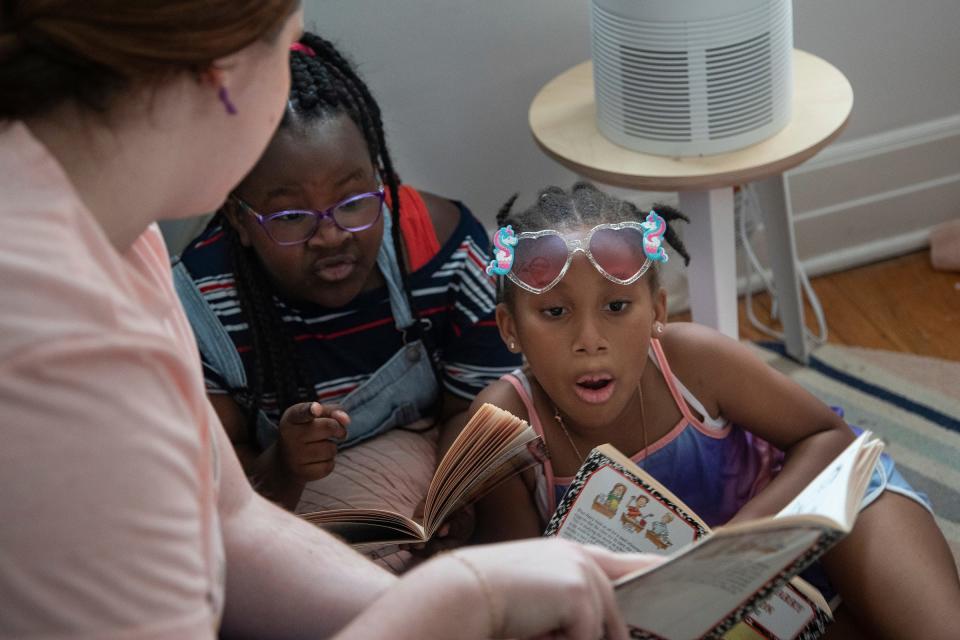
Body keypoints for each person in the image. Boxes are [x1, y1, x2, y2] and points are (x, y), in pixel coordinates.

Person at [0, 4, 662, 638]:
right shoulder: (53, 347)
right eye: (289, 41)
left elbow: (229, 520)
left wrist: (448, 599)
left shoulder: (115, 227)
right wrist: (465, 599)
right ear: (221, 72)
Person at [466, 182, 960, 638]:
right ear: (510, 328)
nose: (590, 341)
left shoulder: (694, 359)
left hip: (816, 514)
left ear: (657, 311)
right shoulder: (504, 427)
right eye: (555, 312)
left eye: (617, 307)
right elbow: (520, 601)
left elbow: (829, 438)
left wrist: (733, 547)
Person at [173, 33, 519, 566]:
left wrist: (453, 494)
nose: (332, 236)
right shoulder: (203, 305)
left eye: (355, 202)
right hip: (285, 519)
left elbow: (478, 406)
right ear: (240, 219)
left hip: (429, 477)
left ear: (382, 182)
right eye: (291, 217)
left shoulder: (442, 247)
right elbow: (213, 494)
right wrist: (282, 465)